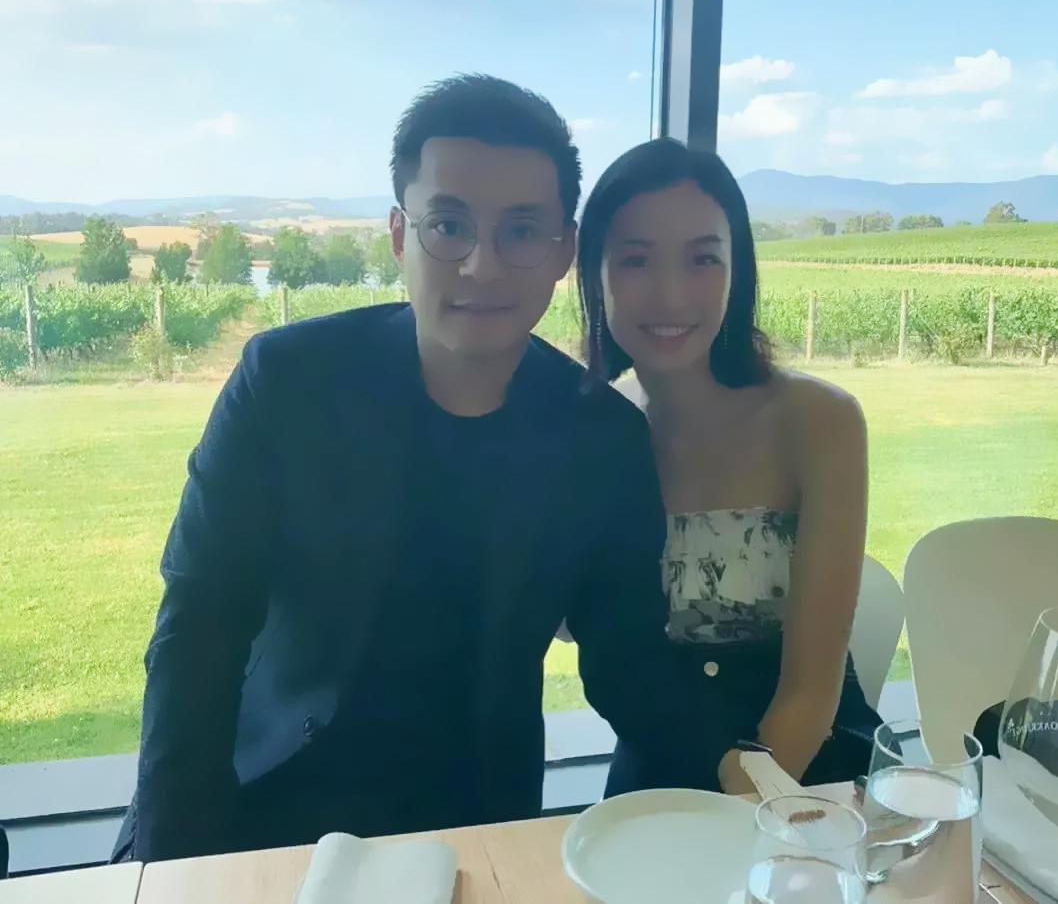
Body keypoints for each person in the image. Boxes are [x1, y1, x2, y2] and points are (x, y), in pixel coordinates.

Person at [116, 77, 739, 864]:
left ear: (563, 249)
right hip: (259, 802)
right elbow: (198, 624)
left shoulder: (601, 436)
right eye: (448, 226)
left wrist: (741, 773)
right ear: (398, 235)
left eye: (521, 231)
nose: (481, 266)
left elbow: (629, 659)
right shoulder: (287, 383)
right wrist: (172, 862)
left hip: (474, 825)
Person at [576, 138, 882, 797]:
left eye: (703, 259)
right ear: (593, 272)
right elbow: (605, 652)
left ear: (737, 269)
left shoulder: (818, 421)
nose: (670, 294)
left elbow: (810, 691)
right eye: (635, 259)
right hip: (657, 761)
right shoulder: (592, 434)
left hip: (808, 767)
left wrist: (740, 812)